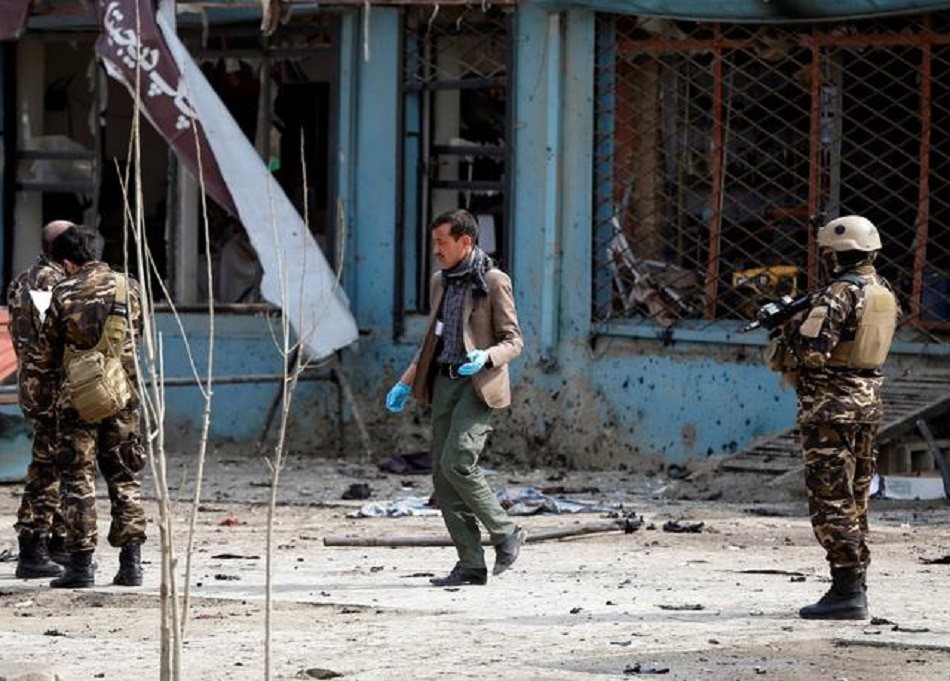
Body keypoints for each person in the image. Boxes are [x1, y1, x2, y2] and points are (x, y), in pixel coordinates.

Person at [768, 215, 900, 620]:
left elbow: (811, 354)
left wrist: (783, 331)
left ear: (836, 255)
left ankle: (846, 592)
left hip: (832, 408)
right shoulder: (884, 290)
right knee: (856, 494)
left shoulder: (839, 294)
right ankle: (853, 585)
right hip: (867, 402)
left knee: (831, 499)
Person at [385, 209, 527, 587]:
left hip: (477, 384)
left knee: (459, 461)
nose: (436, 250)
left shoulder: (495, 281)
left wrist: (487, 356)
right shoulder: (440, 282)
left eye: (441, 242)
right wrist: (404, 383)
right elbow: (431, 339)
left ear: (466, 242)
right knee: (443, 477)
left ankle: (506, 531)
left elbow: (514, 340)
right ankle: (470, 564)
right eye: (434, 242)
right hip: (445, 382)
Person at [35, 226, 147, 588]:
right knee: (125, 477)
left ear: (68, 263)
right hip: (122, 397)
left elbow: (47, 352)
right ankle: (131, 566)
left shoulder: (64, 291)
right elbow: (138, 334)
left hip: (77, 403)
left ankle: (81, 567)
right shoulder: (128, 287)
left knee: (77, 480)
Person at [6, 220, 74, 578]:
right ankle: (33, 547)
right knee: (49, 466)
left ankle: (53, 543)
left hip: (32, 383)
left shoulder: (22, 279)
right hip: (50, 385)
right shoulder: (51, 282)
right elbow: (54, 333)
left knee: (56, 462)